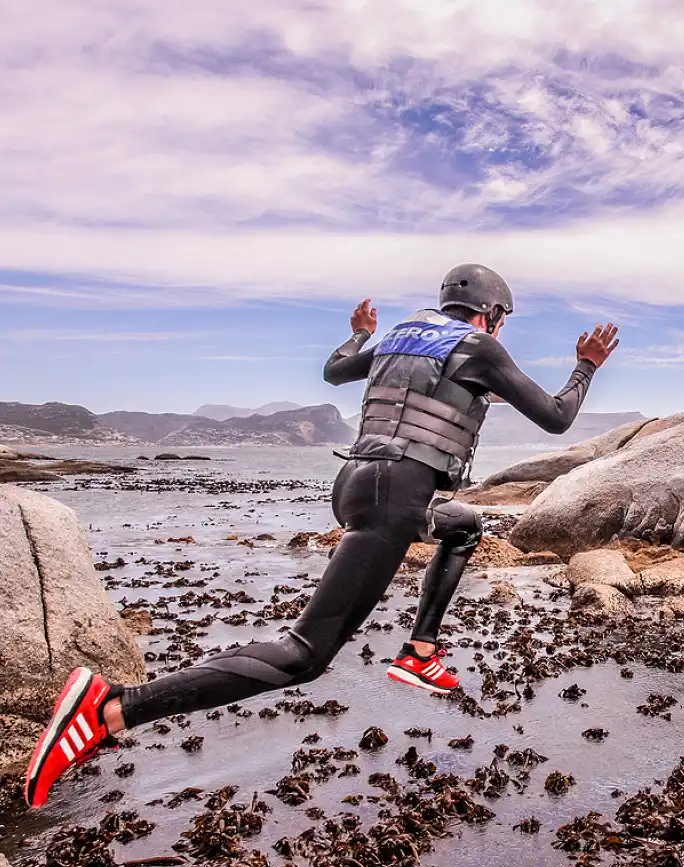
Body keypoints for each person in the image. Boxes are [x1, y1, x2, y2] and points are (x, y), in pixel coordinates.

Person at [25, 264, 620, 808]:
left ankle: (420, 653)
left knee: (463, 525)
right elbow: (557, 416)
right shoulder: (479, 346)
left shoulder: (397, 338)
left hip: (357, 483)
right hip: (397, 494)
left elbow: (335, 371)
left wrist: (360, 333)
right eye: (503, 322)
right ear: (493, 314)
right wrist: (585, 366)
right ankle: (111, 708)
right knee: (304, 656)